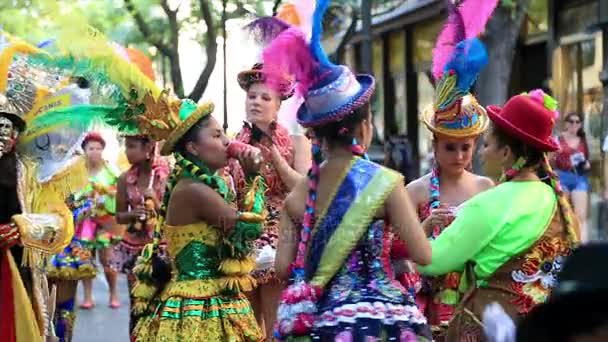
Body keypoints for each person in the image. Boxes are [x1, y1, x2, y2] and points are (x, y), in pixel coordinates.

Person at [263, 1, 433, 340]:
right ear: (365, 126)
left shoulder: (299, 194)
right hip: (382, 321)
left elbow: (282, 269)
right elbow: (423, 254)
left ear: (316, 134)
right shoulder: (384, 183)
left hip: (317, 324)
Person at [418, 89, 580, 341]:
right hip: (546, 331)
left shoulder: (488, 204)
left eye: (485, 145)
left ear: (505, 153)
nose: (481, 153)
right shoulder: (558, 201)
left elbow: (431, 261)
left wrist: (424, 229)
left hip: (492, 329)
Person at [390, 3, 496, 336]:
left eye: (467, 146)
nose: (460, 154)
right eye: (450, 146)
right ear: (434, 145)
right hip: (428, 299)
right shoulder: (416, 190)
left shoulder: (486, 187)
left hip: (474, 295)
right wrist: (424, 225)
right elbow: (393, 250)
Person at [129, 97, 266, 341]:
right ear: (193, 148)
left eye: (223, 134)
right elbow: (248, 231)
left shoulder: (200, 185)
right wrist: (254, 176)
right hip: (199, 305)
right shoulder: (193, 190)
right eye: (216, 136)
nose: (227, 141)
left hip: (208, 297)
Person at [226, 62, 310, 337]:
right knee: (245, 327)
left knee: (276, 326)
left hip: (280, 239)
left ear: (278, 104)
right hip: (241, 240)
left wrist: (276, 159)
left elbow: (305, 188)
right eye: (252, 96)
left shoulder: (297, 142)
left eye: (265, 98)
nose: (257, 103)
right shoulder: (232, 143)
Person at [111, 133, 169, 333]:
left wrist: (156, 201)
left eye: (132, 146)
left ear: (148, 149)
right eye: (126, 146)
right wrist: (133, 213)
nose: (127, 152)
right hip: (134, 249)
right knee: (137, 303)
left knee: (161, 302)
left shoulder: (165, 176)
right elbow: (119, 216)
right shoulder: (124, 179)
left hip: (160, 248)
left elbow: (174, 213)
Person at [65, 132, 122, 309]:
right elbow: (72, 196)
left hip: (106, 221)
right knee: (85, 260)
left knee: (107, 260)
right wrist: (84, 198)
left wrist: (106, 193)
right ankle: (88, 297)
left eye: (98, 148)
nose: (95, 151)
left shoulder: (111, 170)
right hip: (85, 223)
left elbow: (120, 192)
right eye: (91, 148)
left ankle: (113, 293)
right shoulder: (78, 172)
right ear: (85, 151)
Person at [553, 112, 591, 242]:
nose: (574, 124)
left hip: (579, 177)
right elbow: (550, 159)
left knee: (581, 215)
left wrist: (586, 164)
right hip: (562, 176)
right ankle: (564, 246)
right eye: (571, 121)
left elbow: (588, 159)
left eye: (577, 122)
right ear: (566, 123)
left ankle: (583, 249)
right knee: (564, 214)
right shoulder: (558, 139)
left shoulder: (584, 140)